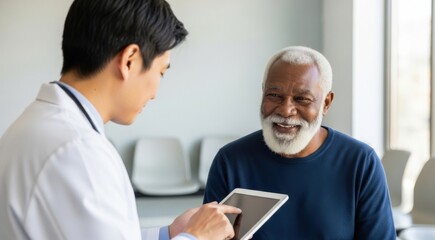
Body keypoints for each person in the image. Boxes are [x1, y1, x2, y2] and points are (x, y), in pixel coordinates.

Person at [0, 0, 241, 239]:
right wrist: (197, 237)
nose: (155, 93)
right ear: (129, 60)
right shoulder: (79, 150)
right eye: (161, 72)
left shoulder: (38, 126)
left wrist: (170, 234)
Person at [204, 46, 397, 239]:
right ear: (263, 93)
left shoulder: (361, 163)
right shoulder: (230, 161)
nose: (286, 110)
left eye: (302, 99)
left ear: (326, 103)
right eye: (274, 95)